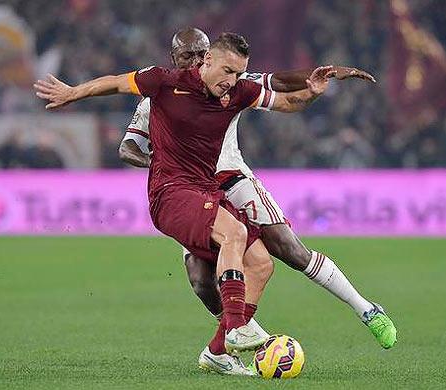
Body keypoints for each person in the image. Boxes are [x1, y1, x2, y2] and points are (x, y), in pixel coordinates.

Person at [35, 32, 341, 375]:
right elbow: (115, 84)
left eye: (239, 74)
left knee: (261, 264)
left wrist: (311, 93)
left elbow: (286, 103)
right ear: (207, 60)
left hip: (206, 190)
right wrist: (72, 92)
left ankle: (218, 352)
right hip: (170, 193)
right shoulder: (164, 83)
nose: (232, 81)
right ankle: (237, 328)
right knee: (234, 234)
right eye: (227, 71)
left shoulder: (237, 92)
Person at [120, 27, 397, 354]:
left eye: (200, 54)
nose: (194, 61)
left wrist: (324, 75)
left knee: (288, 249)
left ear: (211, 55)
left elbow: (277, 82)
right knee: (200, 279)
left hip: (234, 178)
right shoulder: (159, 95)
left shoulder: (230, 80)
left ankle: (366, 309)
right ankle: (229, 340)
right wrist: (161, 161)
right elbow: (128, 147)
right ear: (173, 59)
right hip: (190, 190)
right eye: (186, 56)